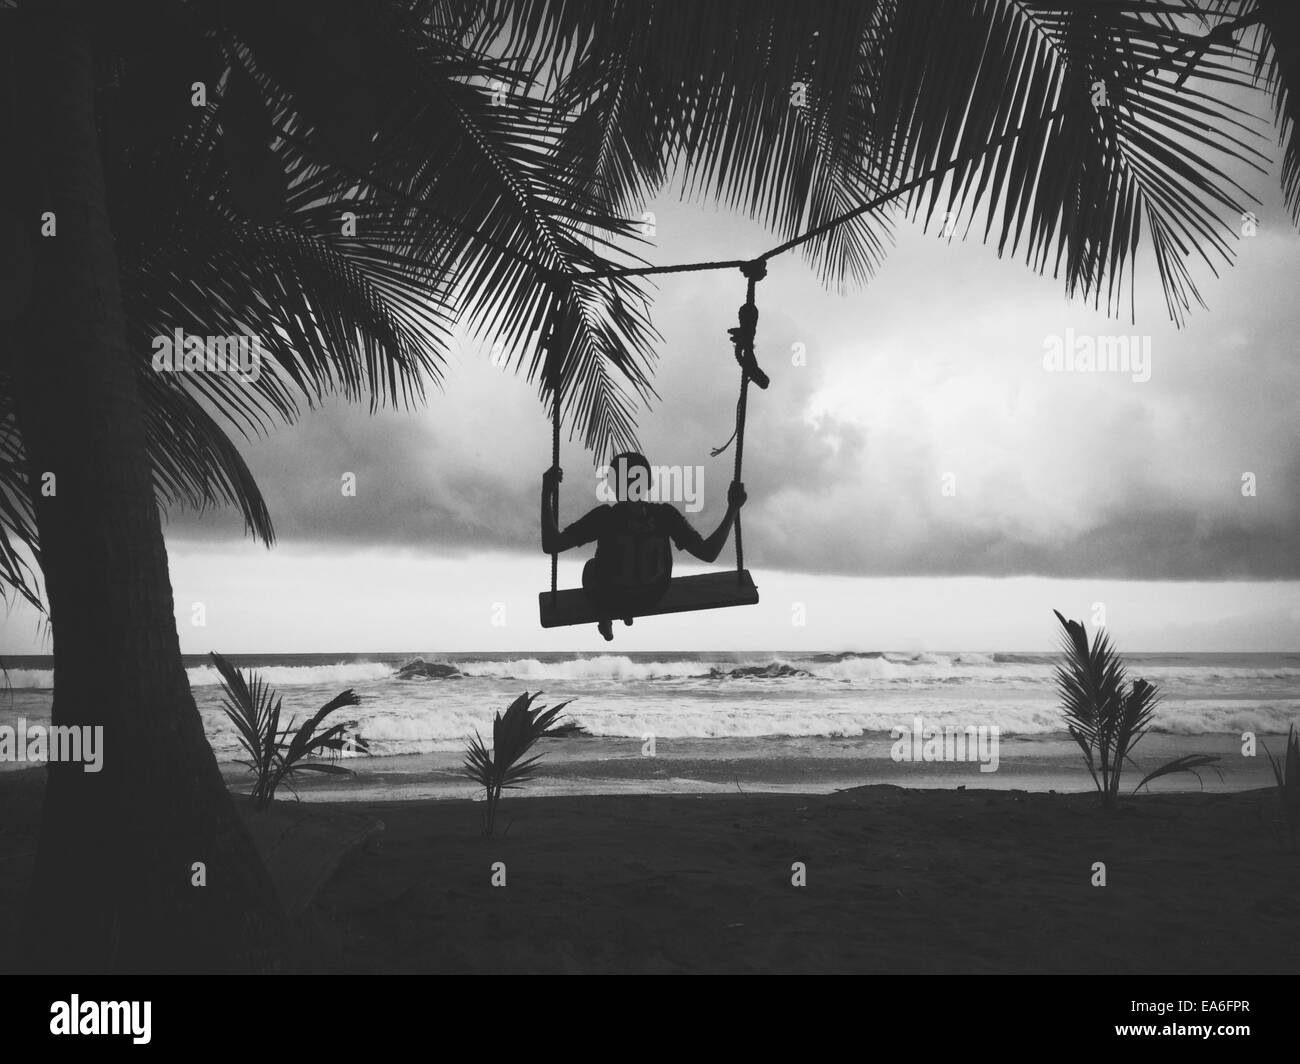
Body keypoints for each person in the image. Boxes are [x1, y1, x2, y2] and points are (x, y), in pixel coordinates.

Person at [541, 452, 747, 641]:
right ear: (648, 483)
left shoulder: (604, 517)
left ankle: (606, 615)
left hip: (613, 597)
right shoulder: (665, 515)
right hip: (652, 595)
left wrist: (546, 492)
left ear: (613, 486)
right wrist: (733, 508)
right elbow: (709, 553)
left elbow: (551, 544)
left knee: (590, 568)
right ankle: (621, 612)